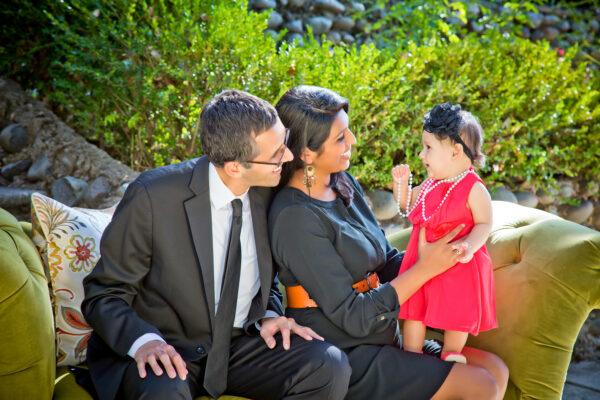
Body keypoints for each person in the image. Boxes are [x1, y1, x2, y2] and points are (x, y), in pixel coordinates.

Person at [82, 89, 351, 400]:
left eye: (285, 141)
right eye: (278, 153)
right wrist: (144, 342)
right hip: (169, 348)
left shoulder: (269, 192)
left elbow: (266, 278)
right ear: (235, 166)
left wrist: (268, 315)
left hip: (240, 345)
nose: (288, 157)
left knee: (327, 364)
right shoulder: (152, 197)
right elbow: (105, 294)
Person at [268, 85, 509, 399]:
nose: (352, 141)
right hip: (345, 347)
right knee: (481, 385)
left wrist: (451, 259)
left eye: (348, 131)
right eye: (341, 138)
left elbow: (384, 260)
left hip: (382, 329)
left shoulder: (342, 182)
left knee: (496, 369)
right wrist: (424, 269)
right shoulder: (294, 217)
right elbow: (351, 315)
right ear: (305, 154)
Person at [392, 102, 497, 364]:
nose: (420, 154)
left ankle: (452, 352)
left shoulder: (473, 187)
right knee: (414, 308)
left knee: (458, 308)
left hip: (456, 262)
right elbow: (406, 206)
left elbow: (484, 223)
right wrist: (401, 185)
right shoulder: (430, 184)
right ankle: (411, 351)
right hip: (420, 261)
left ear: (455, 151)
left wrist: (469, 246)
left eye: (428, 147)